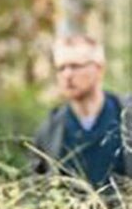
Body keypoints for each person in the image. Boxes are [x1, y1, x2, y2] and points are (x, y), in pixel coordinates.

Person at [31, 34, 131, 189]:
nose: (67, 75)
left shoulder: (125, 116)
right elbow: (37, 190)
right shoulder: (50, 130)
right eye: (61, 68)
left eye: (75, 66)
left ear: (99, 69)